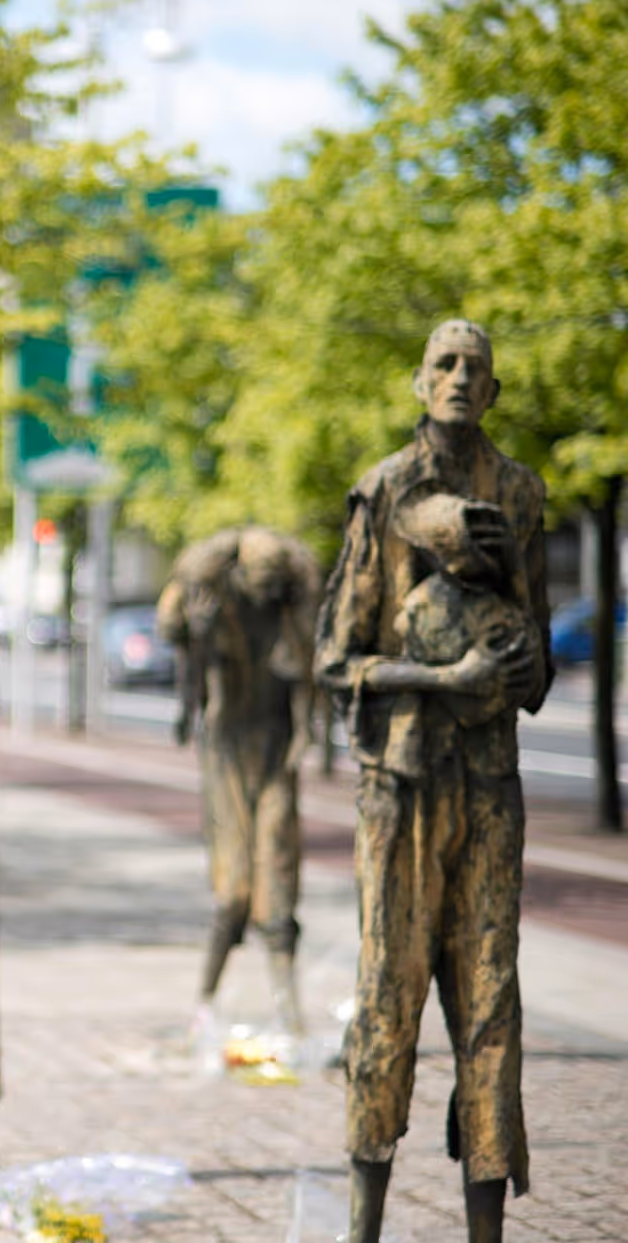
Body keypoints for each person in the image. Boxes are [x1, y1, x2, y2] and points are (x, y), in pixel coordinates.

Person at [315, 319, 549, 1243]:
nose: (460, 377)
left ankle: (484, 1230)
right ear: (420, 384)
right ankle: (362, 1226)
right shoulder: (384, 490)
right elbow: (338, 659)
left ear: (492, 391)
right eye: (445, 364)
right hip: (403, 790)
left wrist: (525, 670)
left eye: (476, 367)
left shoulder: (522, 493)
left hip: (491, 788)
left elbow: (540, 671)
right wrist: (442, 681)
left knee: (492, 1003)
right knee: (388, 996)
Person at [155, 526, 319, 1037]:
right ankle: (206, 1002)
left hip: (273, 753)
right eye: (259, 581)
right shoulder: (214, 607)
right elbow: (176, 636)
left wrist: (305, 739)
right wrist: (197, 654)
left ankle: (290, 1013)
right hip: (227, 753)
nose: (266, 592)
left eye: (275, 583)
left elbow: (305, 684)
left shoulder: (292, 617)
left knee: (278, 880)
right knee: (233, 890)